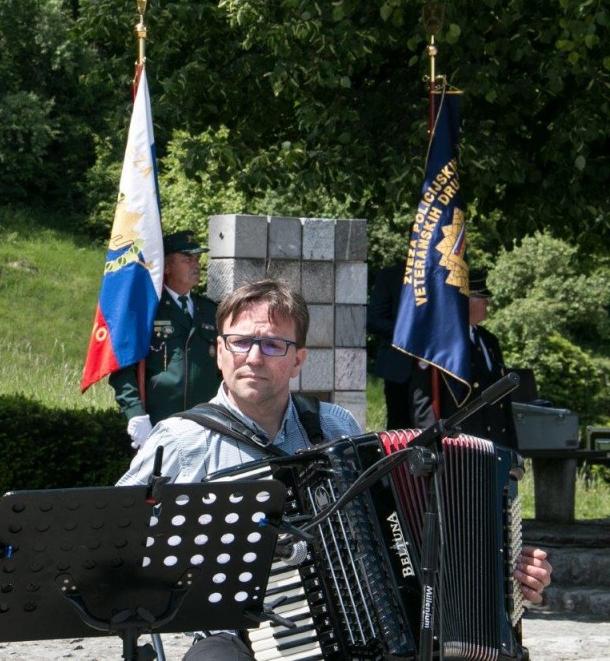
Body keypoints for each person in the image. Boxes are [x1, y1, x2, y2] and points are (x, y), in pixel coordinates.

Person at [119, 278, 551, 660]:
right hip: (233, 634)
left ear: (298, 360)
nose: (253, 357)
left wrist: (503, 569)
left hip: (355, 632)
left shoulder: (334, 427)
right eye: (240, 342)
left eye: (272, 345)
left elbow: (395, 530)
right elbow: (118, 540)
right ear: (219, 352)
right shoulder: (181, 440)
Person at [109, 230, 220, 449]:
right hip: (159, 423)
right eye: (187, 258)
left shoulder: (210, 311)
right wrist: (135, 413)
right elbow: (123, 365)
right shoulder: (148, 310)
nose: (196, 264)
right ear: (166, 267)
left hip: (205, 424)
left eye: (197, 258)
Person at [409, 269, 518, 449]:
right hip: (461, 446)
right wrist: (430, 444)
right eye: (484, 299)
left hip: (496, 444)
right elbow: (424, 399)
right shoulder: (438, 342)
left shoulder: (489, 341)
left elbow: (503, 400)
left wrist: (513, 450)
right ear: (466, 301)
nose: (488, 304)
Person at [367, 262, 415, 429]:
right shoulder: (392, 275)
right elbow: (374, 321)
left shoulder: (443, 273)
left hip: (438, 368)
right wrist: (410, 332)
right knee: (400, 430)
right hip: (401, 368)